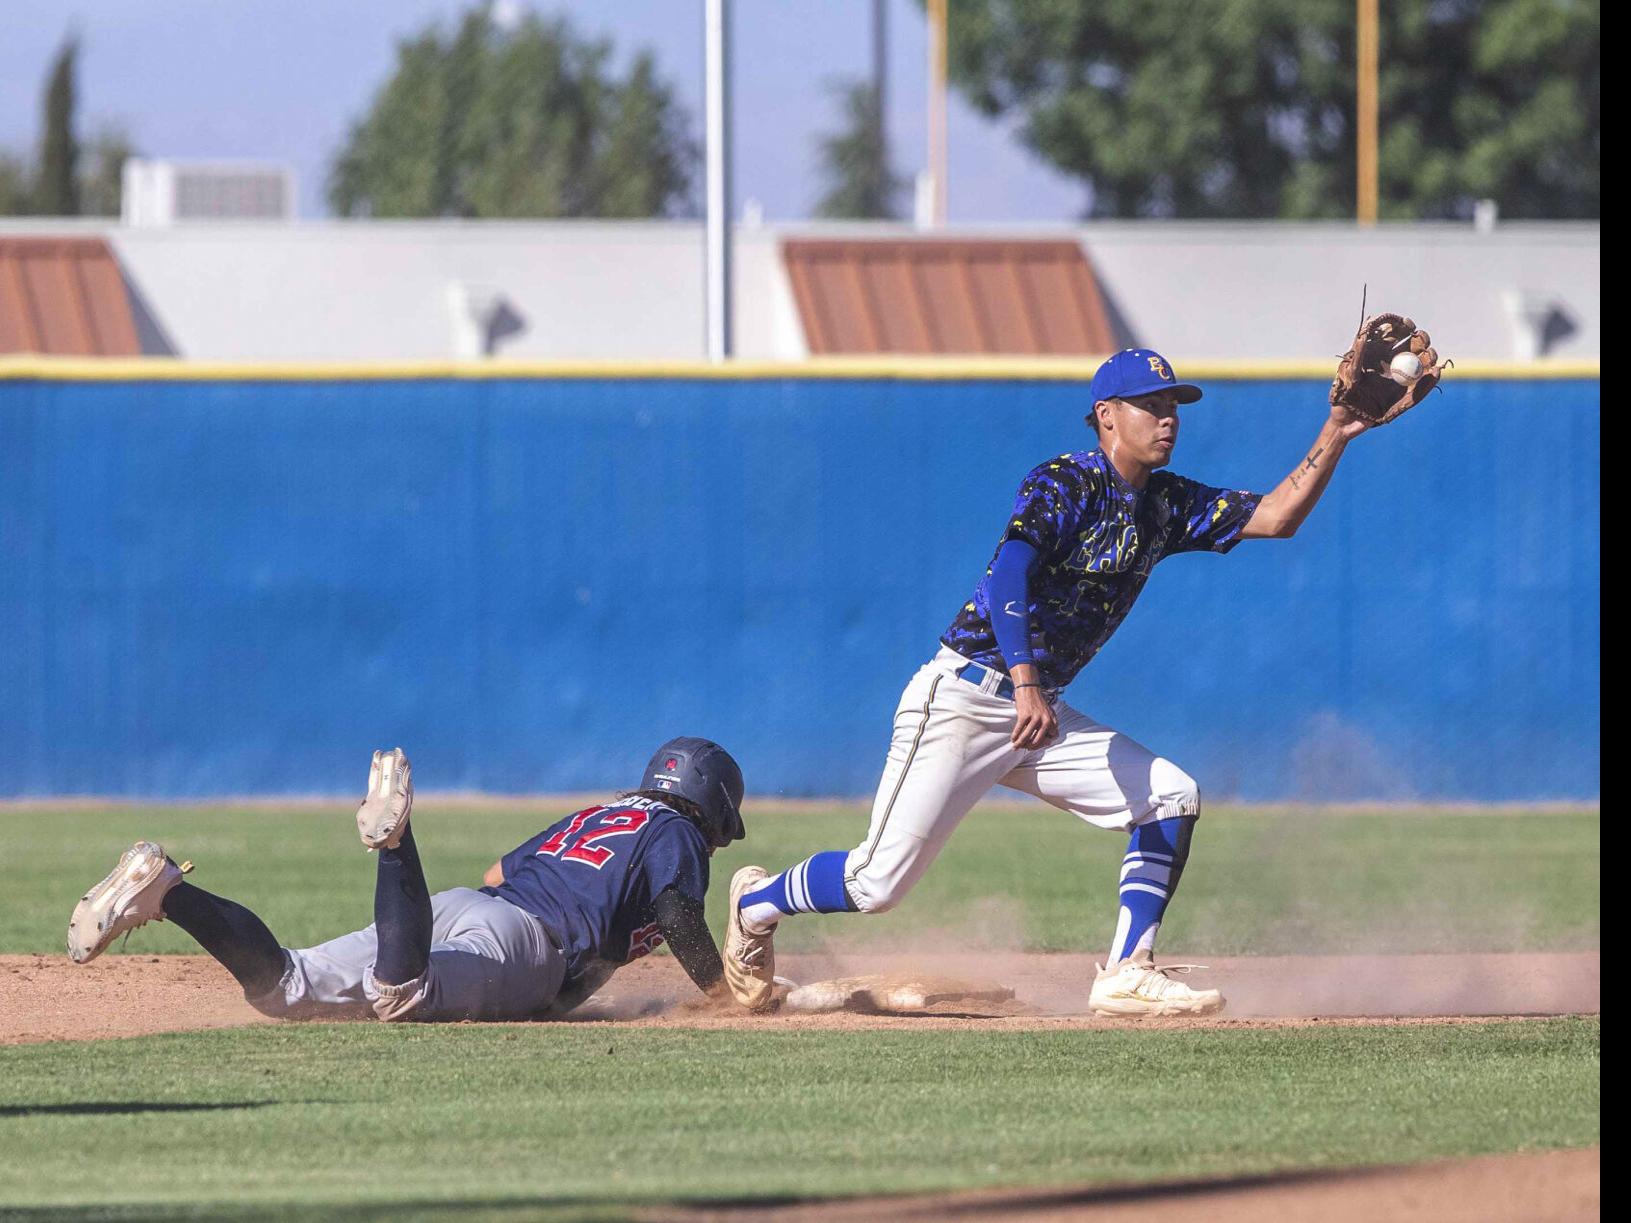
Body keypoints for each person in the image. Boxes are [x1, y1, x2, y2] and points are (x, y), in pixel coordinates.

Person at [722, 347, 1385, 1017]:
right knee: (875, 882)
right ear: (1105, 416)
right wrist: (1027, 682)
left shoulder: (1165, 503)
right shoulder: (1064, 482)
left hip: (1036, 715)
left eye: (1172, 406)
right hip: (965, 698)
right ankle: (754, 904)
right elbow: (1006, 574)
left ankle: (1126, 970)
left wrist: (1335, 431)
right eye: (1151, 405)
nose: (1167, 418)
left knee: (1170, 795)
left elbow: (1275, 516)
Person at [68, 737, 745, 1021]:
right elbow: (679, 915)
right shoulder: (677, 832)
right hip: (527, 943)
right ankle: (397, 843)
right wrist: (719, 993)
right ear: (711, 802)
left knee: (285, 986)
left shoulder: (604, 812)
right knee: (402, 994)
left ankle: (166, 888)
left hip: (462, 905)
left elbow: (497, 871)